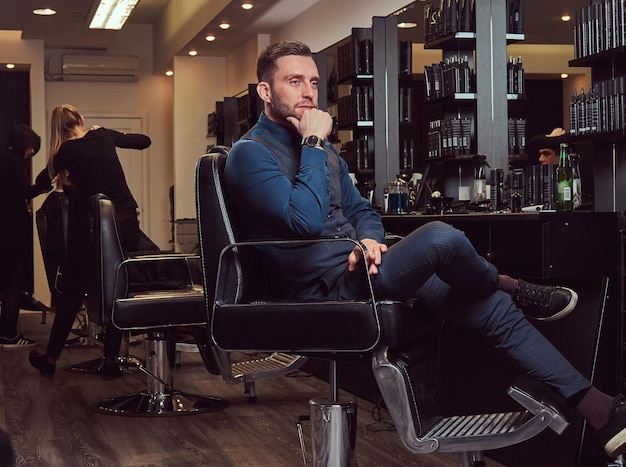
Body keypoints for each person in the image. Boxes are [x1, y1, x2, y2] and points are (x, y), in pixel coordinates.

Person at [224, 41, 626, 459]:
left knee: (490, 309)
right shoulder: (250, 155)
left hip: (364, 270)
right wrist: (311, 141)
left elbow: (363, 210)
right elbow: (303, 221)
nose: (308, 92)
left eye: (313, 82)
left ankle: (602, 413)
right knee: (440, 238)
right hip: (322, 292)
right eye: (294, 81)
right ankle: (514, 286)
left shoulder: (324, 153)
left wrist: (369, 240)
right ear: (266, 92)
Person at [28, 104, 151, 380]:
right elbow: (144, 141)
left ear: (57, 129)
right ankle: (111, 360)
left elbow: (41, 181)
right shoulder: (104, 135)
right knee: (120, 285)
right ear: (82, 120)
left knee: (73, 290)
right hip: (126, 220)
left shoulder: (64, 152)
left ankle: (50, 360)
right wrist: (107, 133)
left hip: (94, 226)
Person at [0, 125, 51, 349]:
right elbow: (24, 192)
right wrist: (43, 186)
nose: (31, 152)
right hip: (12, 231)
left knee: (9, 283)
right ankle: (9, 335)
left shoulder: (4, 159)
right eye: (31, 148)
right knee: (14, 284)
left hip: (5, 231)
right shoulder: (14, 162)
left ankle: (6, 332)